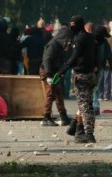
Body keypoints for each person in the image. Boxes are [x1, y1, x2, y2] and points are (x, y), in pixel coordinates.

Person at [58, 15, 98, 143]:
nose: (71, 28)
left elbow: (74, 57)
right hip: (90, 74)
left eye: (73, 25)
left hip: (81, 75)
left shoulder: (80, 39)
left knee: (85, 105)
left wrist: (62, 70)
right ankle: (76, 127)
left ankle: (89, 133)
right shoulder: (90, 38)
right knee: (85, 103)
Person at [39, 27, 72, 126]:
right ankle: (46, 117)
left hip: (54, 72)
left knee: (58, 94)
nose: (69, 41)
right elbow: (47, 60)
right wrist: (48, 75)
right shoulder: (53, 45)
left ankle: (63, 116)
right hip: (48, 72)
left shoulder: (60, 46)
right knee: (51, 94)